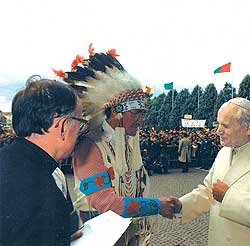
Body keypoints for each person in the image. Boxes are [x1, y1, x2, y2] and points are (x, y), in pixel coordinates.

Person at [53, 44, 181, 245]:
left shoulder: (128, 145)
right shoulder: (90, 146)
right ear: (116, 112)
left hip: (126, 234)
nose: (141, 120)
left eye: (143, 113)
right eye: (136, 113)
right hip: (99, 237)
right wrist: (157, 206)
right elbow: (106, 203)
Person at [176, 97, 250, 246]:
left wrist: (228, 197)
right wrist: (181, 205)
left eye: (225, 126)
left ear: (248, 127)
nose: (217, 131)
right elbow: (209, 191)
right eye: (218, 124)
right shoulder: (225, 151)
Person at [0, 79, 83, 246]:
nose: (80, 132)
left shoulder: (11, 159)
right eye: (80, 123)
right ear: (63, 127)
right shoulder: (38, 185)